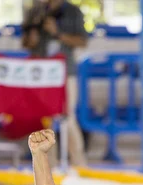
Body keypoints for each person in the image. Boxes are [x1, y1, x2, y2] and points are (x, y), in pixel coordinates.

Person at [22, 0, 88, 166]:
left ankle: (79, 164)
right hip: (40, 75)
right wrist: (32, 37)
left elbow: (82, 41)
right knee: (44, 118)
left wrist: (57, 33)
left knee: (68, 116)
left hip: (65, 72)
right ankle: (47, 166)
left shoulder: (73, 11)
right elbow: (25, 44)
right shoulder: (35, 12)